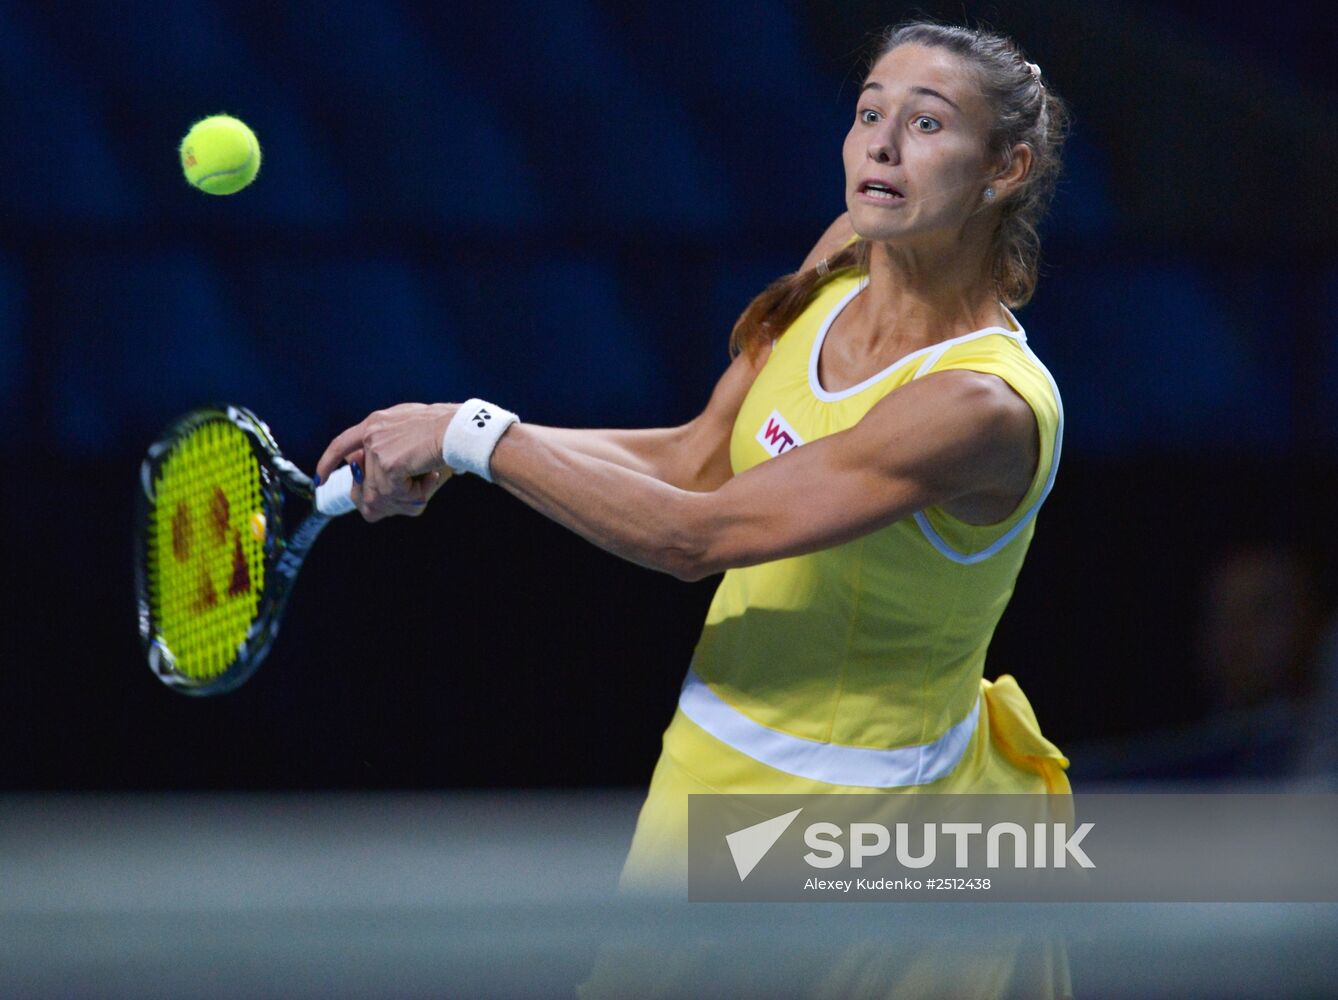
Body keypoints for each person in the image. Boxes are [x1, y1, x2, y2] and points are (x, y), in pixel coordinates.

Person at [317, 19, 1073, 998]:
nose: (881, 146)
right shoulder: (846, 254)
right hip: (714, 767)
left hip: (870, 838)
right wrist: (468, 454)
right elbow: (695, 461)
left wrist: (473, 434)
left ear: (1005, 168)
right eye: (868, 113)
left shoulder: (978, 406)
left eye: (926, 124)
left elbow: (696, 536)